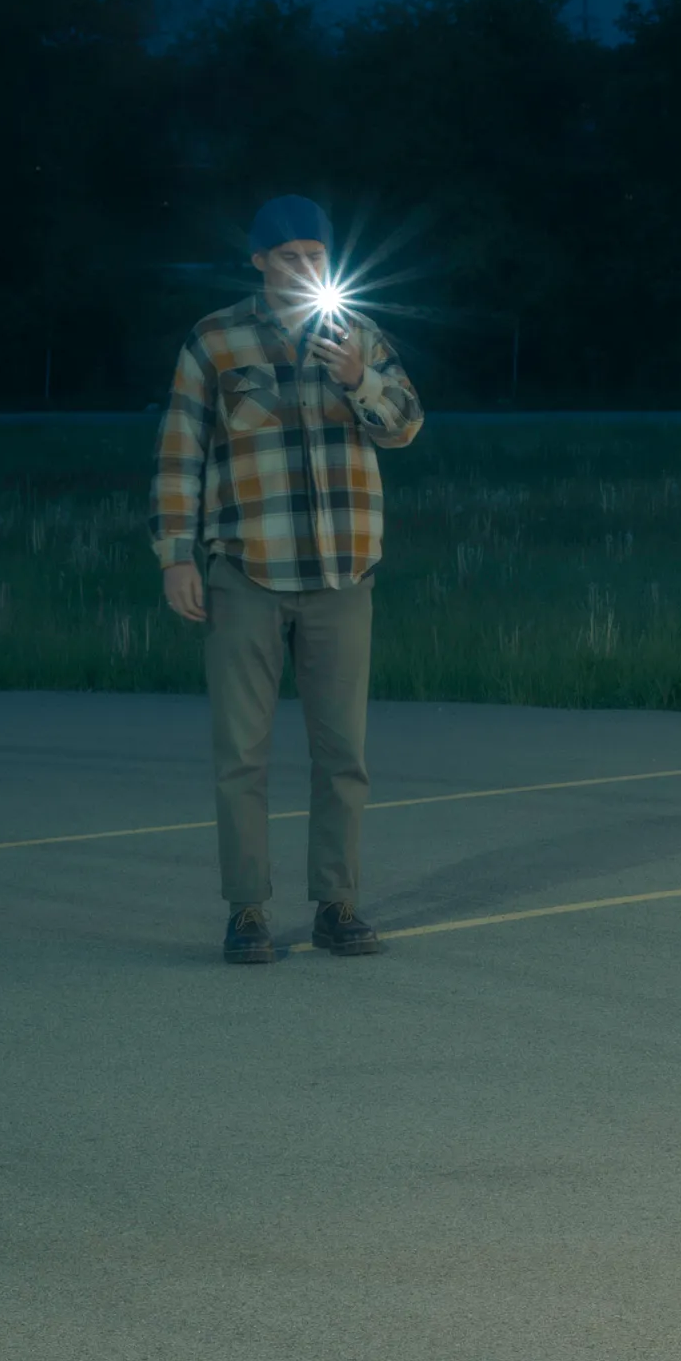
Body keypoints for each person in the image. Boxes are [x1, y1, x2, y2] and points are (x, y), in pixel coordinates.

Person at [154, 194, 425, 965]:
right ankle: (248, 910)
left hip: (344, 571)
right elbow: (180, 453)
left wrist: (358, 376)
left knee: (343, 753)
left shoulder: (359, 335)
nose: (307, 267)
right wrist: (178, 555)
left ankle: (338, 903)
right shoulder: (215, 340)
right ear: (260, 261)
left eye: (317, 254)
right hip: (248, 568)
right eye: (291, 256)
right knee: (241, 751)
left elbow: (405, 426)